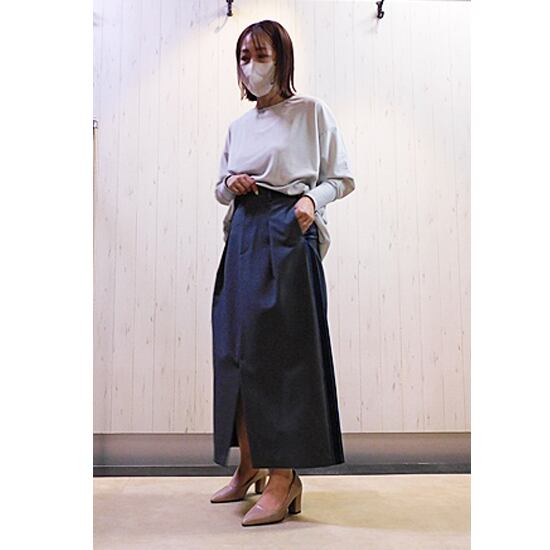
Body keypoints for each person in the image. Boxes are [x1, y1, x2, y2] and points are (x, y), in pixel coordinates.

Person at [210, 20, 355, 527]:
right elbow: (219, 188)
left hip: (289, 230)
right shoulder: (238, 126)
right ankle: (249, 464)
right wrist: (232, 182)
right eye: (244, 56)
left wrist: (312, 200)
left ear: (283, 59)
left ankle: (283, 478)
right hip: (244, 234)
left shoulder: (310, 112)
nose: (251, 65)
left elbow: (341, 177)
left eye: (261, 55)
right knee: (237, 352)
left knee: (282, 356)